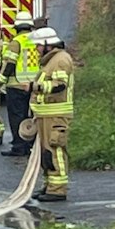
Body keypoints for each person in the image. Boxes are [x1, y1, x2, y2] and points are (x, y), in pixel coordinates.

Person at [31, 27, 76, 201]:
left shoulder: (60, 60)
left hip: (56, 114)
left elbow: (59, 85)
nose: (36, 49)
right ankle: (49, 185)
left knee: (55, 150)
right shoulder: (50, 61)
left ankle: (58, 189)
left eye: (38, 46)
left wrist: (36, 87)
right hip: (46, 114)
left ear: (47, 44)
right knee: (47, 153)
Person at [1, 11, 39, 156]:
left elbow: (10, 64)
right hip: (34, 85)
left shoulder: (16, 42)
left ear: (16, 27)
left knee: (17, 116)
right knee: (32, 116)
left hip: (16, 85)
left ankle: (19, 146)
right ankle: (31, 143)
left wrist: (1, 80)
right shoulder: (36, 40)